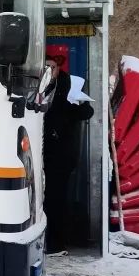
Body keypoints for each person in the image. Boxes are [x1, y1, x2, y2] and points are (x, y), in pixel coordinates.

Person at [42, 52, 94, 253]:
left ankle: (57, 242)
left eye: (52, 68)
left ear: (58, 69)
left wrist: (71, 110)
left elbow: (87, 112)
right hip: (40, 151)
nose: (49, 71)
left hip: (61, 153)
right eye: (45, 68)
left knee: (56, 198)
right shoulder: (37, 84)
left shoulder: (69, 86)